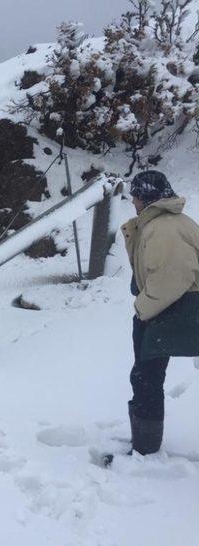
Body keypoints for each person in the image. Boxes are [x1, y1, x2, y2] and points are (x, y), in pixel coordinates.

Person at [121, 170, 199, 455]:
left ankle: (145, 450)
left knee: (146, 378)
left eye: (135, 195)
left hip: (169, 311)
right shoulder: (165, 223)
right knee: (146, 377)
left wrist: (143, 308)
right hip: (169, 310)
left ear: (146, 197)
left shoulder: (163, 228)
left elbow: (172, 277)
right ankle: (144, 445)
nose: (132, 201)